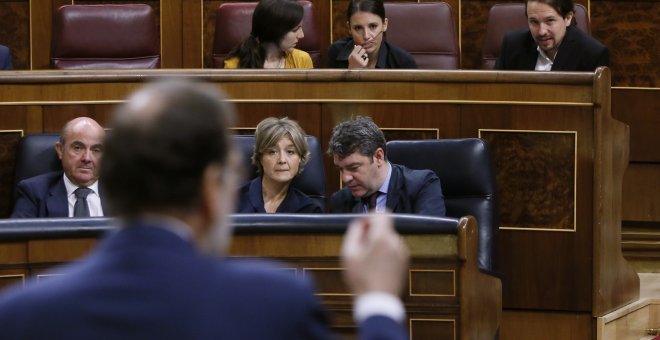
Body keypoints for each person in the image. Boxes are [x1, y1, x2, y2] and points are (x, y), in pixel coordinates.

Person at [0, 79, 410, 340]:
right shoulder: (275, 304)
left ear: (117, 185)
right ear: (214, 193)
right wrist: (378, 303)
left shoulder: (19, 316)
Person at [328, 116, 445, 216]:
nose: (345, 178)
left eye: (353, 168)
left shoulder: (422, 185)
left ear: (378, 157)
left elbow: (430, 239)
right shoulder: (340, 200)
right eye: (340, 169)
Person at [11, 117, 106, 218]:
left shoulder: (122, 193)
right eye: (77, 148)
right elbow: (18, 233)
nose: (87, 158)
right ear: (60, 150)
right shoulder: (34, 192)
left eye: (96, 150)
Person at [238, 117, 323, 213]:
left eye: (290, 152)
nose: (282, 160)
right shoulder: (233, 200)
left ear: (300, 158)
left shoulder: (309, 210)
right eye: (273, 152)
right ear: (260, 157)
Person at [495, 0, 608, 71]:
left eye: (550, 21)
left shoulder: (593, 54)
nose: (542, 32)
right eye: (534, 22)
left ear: (568, 18)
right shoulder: (512, 45)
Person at [224, 0, 313, 69]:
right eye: (295, 30)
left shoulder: (302, 60)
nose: (302, 35)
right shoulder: (234, 66)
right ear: (274, 31)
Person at [328, 0, 416, 69]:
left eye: (373, 26)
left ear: (384, 25)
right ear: (349, 28)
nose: (366, 36)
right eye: (358, 28)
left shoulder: (403, 61)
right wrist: (351, 72)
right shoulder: (336, 52)